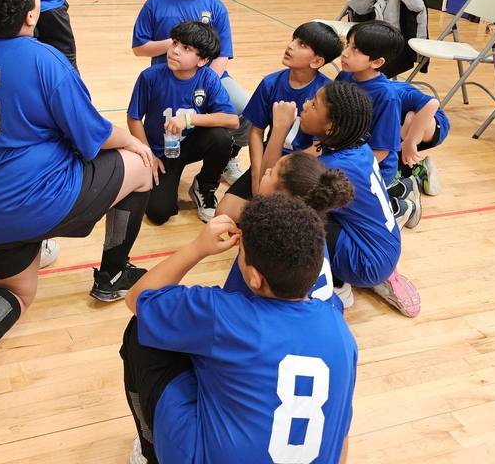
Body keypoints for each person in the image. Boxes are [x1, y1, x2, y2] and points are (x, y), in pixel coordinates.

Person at [0, 0, 155, 435]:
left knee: (15, 293)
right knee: (143, 171)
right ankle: (113, 272)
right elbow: (91, 135)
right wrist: (136, 144)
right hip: (50, 199)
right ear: (32, 13)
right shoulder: (46, 59)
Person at [121, 196, 357, 464]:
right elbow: (342, 431)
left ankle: (148, 450)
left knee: (144, 330)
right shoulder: (339, 327)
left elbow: (138, 298)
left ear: (256, 278)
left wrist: (198, 248)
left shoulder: (221, 314)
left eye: (240, 251)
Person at [298, 81, 422, 318]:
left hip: (366, 263)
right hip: (387, 247)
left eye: (313, 105)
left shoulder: (331, 168)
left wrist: (282, 127)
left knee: (302, 216)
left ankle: (338, 285)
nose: (305, 106)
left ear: (332, 127)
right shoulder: (360, 148)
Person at [131, 0, 247, 183]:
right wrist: (174, 42)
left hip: (209, 75)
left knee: (247, 110)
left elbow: (223, 53)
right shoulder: (155, 4)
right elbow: (139, 48)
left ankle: (228, 157)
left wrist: (205, 83)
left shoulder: (215, 7)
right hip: (167, 75)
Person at [217, 21, 342, 220]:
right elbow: (256, 132)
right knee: (224, 213)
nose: (290, 46)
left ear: (317, 61)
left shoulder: (325, 92)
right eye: (294, 39)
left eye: (302, 44)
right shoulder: (271, 83)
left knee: (277, 216)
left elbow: (319, 147)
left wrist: (280, 169)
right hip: (270, 157)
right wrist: (258, 176)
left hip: (301, 168)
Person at [127, 21, 239, 224]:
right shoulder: (150, 77)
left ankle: (204, 186)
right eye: (175, 43)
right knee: (159, 213)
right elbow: (134, 118)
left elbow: (232, 120)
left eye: (186, 48)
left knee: (221, 138)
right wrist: (149, 154)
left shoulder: (208, 79)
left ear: (203, 60)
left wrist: (189, 119)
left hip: (189, 144)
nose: (175, 51)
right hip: (162, 151)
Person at [220, 150, 354, 308]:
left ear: (280, 197)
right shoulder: (313, 235)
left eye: (271, 173)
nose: (267, 170)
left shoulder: (263, 242)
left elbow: (232, 303)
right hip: (324, 315)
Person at [337, 22, 421, 228]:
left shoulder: (386, 96)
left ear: (376, 62)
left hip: (373, 166)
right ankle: (401, 187)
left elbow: (381, 151)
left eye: (355, 49)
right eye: (348, 44)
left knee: (345, 212)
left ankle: (401, 207)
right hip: (345, 156)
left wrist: (345, 171)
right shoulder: (345, 76)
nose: (345, 53)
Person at [391, 82, 449, 197]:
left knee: (410, 119)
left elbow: (431, 104)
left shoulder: (388, 90)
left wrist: (411, 141)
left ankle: (401, 171)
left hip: (428, 122)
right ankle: (416, 169)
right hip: (401, 128)